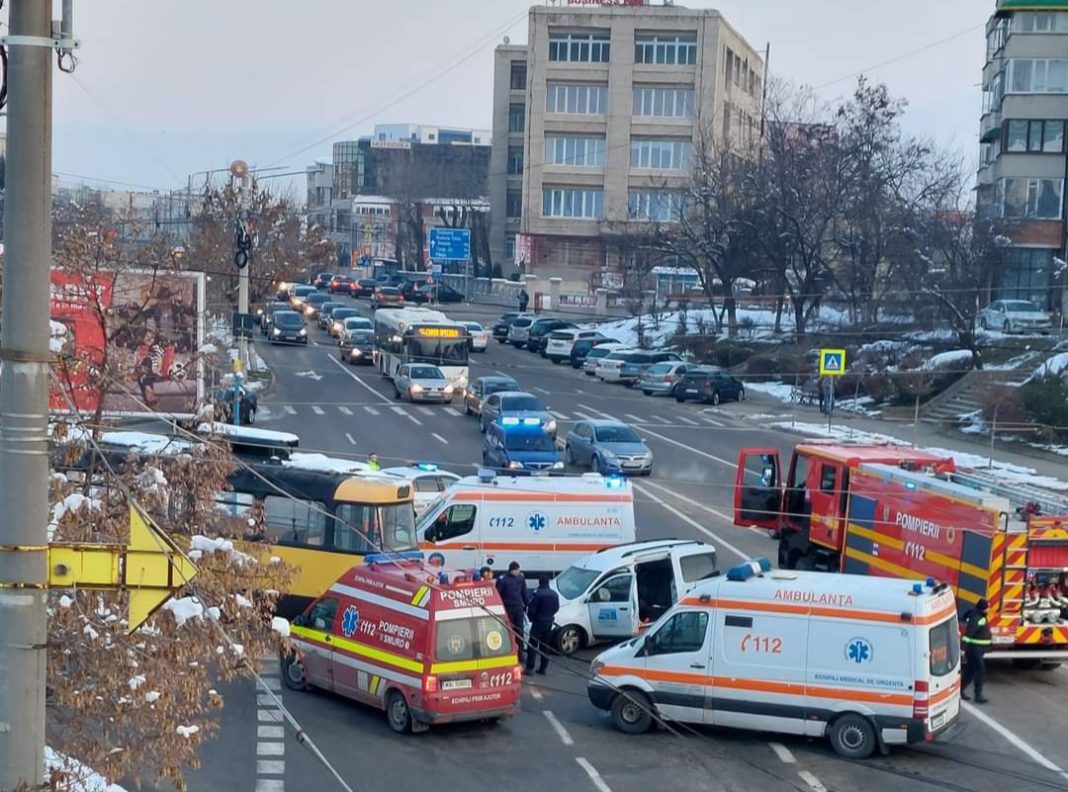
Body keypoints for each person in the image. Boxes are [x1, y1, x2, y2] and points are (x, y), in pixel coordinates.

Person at [496, 561, 530, 662]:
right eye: (517, 571)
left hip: (518, 608)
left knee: (520, 632)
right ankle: (507, 653)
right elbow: (499, 595)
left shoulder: (521, 577)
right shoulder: (503, 580)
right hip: (508, 608)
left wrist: (528, 604)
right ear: (512, 570)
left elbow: (524, 592)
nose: (518, 572)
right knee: (508, 632)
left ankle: (520, 654)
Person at [526, 574, 560, 675]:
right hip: (549, 622)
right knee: (545, 646)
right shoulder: (554, 594)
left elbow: (532, 610)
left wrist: (531, 618)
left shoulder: (538, 594)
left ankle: (529, 668)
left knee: (532, 646)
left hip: (538, 622)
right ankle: (543, 668)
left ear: (539, 582)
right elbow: (556, 608)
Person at [961, 598, 992, 703]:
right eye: (988, 607)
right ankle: (978, 696)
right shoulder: (977, 618)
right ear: (984, 608)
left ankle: (960, 690)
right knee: (980, 671)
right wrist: (963, 649)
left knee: (970, 672)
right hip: (975, 650)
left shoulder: (980, 616)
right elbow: (969, 634)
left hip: (977, 649)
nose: (989, 609)